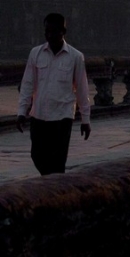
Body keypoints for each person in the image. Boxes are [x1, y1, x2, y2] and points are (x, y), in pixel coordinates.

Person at [16, 13, 91, 175]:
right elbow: (27, 84)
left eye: (53, 32)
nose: (49, 36)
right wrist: (22, 112)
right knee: (37, 155)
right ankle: (50, 183)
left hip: (62, 117)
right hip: (39, 114)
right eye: (47, 32)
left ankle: (55, 192)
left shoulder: (75, 57)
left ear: (63, 32)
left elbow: (82, 89)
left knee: (57, 161)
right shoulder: (35, 53)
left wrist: (86, 119)